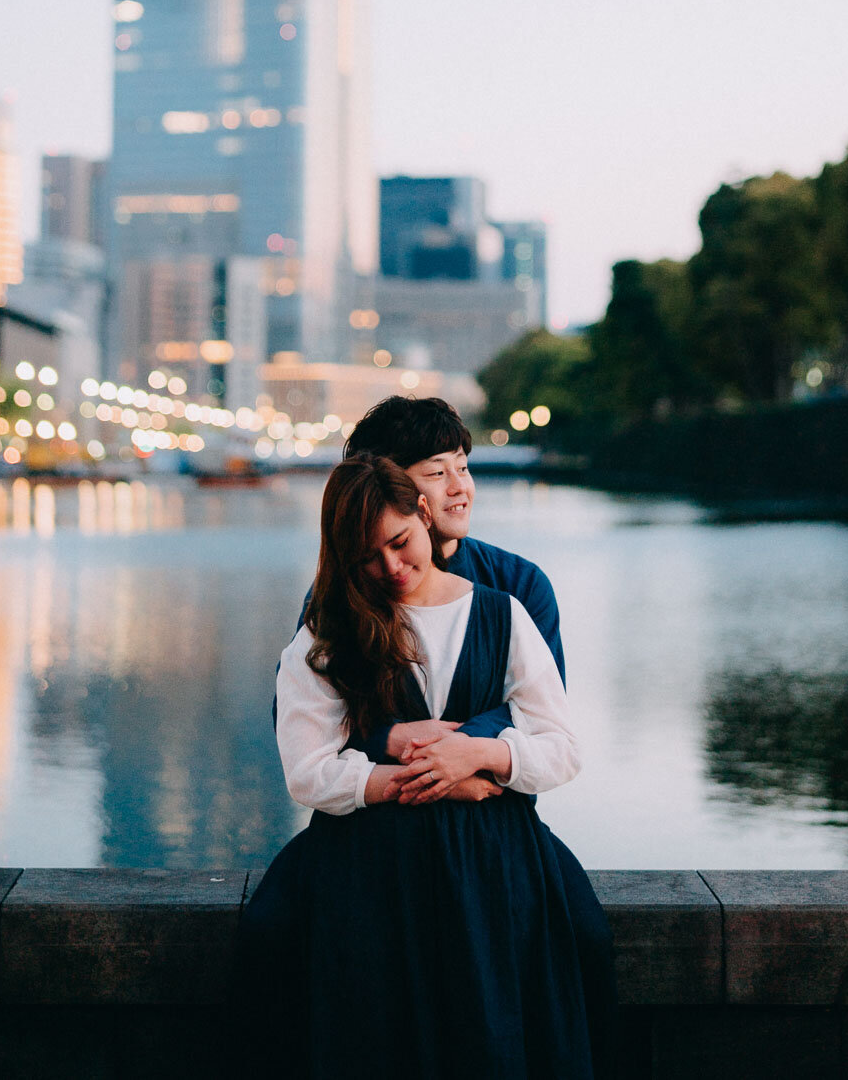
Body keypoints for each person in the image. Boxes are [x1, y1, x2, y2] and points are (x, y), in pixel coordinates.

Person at [235, 454, 611, 1079]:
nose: (389, 567)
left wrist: (482, 753)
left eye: (399, 542)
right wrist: (405, 781)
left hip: (489, 862)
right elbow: (306, 771)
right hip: (370, 869)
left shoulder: (503, 613)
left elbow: (562, 747)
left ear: (424, 516)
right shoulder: (325, 635)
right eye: (366, 557)